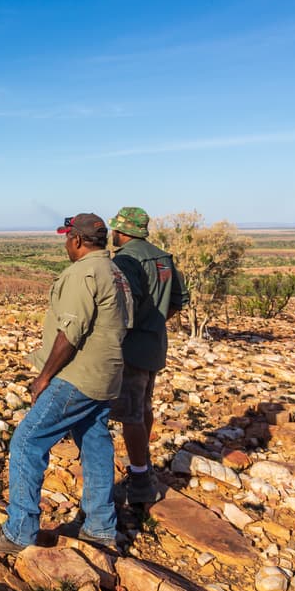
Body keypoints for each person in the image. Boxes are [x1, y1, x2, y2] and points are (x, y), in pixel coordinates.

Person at [0, 213, 131, 555]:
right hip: (108, 374)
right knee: (95, 443)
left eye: (67, 238)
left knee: (28, 441)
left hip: (79, 375)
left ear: (77, 240)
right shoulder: (116, 273)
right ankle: (100, 529)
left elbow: (71, 331)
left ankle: (18, 532)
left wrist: (43, 377)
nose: (64, 244)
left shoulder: (83, 272)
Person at [108, 206, 189, 504]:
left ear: (123, 230)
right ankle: (142, 462)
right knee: (143, 406)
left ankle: (140, 478)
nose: (112, 234)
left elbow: (122, 305)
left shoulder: (127, 260)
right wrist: (155, 322)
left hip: (131, 347)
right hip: (154, 344)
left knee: (130, 412)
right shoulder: (163, 257)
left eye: (115, 228)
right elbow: (179, 300)